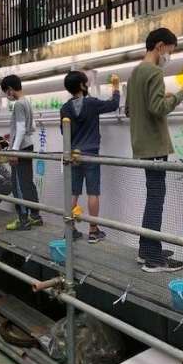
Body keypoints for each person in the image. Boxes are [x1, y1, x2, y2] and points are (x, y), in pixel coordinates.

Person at [125, 28, 183, 273]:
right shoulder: (154, 72)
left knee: (152, 198)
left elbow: (130, 109)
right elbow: (158, 109)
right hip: (155, 145)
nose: (169, 56)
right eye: (170, 51)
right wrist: (182, 93)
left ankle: (146, 250)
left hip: (141, 145)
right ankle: (154, 259)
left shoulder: (135, 73)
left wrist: (161, 95)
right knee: (156, 200)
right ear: (160, 46)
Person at [60, 70, 120, 243]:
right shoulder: (91, 103)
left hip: (73, 154)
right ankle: (93, 231)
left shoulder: (65, 108)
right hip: (91, 153)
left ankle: (69, 229)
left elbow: (64, 132)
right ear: (81, 85)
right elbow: (113, 105)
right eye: (85, 83)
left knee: (73, 192)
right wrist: (116, 87)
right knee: (93, 192)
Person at [0, 74, 41, 231]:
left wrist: (14, 151)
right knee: (28, 182)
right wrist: (13, 135)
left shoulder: (18, 104)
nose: (7, 95)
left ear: (10, 89)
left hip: (21, 148)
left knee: (18, 184)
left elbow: (22, 129)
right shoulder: (27, 101)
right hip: (28, 145)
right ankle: (35, 216)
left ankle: (23, 220)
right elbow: (32, 127)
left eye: (6, 92)